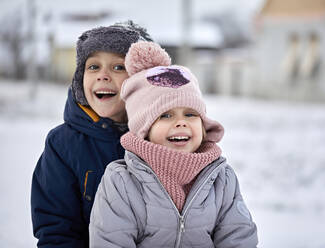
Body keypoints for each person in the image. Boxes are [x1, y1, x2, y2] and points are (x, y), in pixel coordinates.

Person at [89, 41, 258, 247]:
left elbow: (238, 238)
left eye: (190, 114)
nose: (181, 122)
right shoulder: (121, 182)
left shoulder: (222, 179)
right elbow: (111, 241)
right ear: (144, 129)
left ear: (203, 125)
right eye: (166, 115)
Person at [31, 21, 153, 247]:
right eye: (93, 67)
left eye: (118, 67)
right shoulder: (63, 144)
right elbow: (57, 230)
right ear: (80, 80)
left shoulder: (162, 138)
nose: (103, 76)